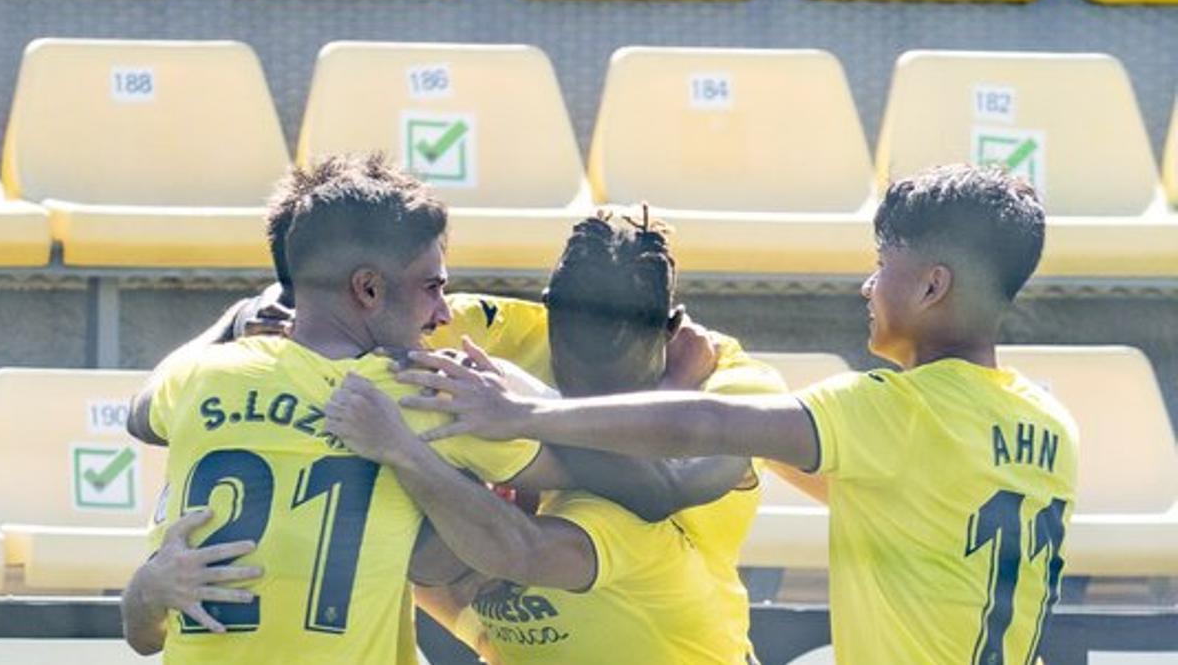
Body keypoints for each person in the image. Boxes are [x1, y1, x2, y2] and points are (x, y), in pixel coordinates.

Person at [396, 164, 1080, 664]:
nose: (868, 284)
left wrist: (524, 412)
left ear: (932, 285)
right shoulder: (1051, 424)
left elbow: (701, 437)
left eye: (882, 264)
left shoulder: (882, 414)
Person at [119, 156, 745, 660]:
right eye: (433, 287)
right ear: (367, 288)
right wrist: (524, 407)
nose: (443, 315)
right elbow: (636, 481)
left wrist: (238, 318)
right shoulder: (422, 392)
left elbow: (139, 413)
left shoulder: (196, 375)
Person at [325, 211, 785, 663]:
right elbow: (330, 324)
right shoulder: (499, 333)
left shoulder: (733, 383)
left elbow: (667, 485)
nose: (588, 390)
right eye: (571, 367)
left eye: (613, 378)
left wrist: (525, 412)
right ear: (548, 310)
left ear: (670, 328)